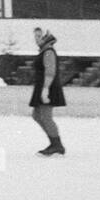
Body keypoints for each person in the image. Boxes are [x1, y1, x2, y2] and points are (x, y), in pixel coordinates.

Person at [29, 26, 66, 156]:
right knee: (37, 115)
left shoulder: (48, 51)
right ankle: (54, 143)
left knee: (45, 117)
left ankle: (57, 145)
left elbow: (50, 72)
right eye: (35, 37)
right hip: (42, 86)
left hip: (48, 87)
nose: (36, 40)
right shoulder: (44, 51)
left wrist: (45, 90)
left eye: (39, 36)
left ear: (46, 37)